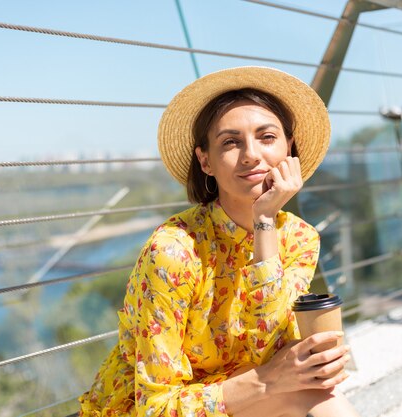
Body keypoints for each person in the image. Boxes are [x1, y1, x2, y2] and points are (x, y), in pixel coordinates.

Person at [78, 66, 360, 417]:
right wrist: (271, 381)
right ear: (205, 160)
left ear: (290, 148)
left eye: (267, 137)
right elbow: (155, 407)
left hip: (246, 396)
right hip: (155, 410)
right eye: (231, 142)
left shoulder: (300, 237)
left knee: (323, 398)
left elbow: (266, 342)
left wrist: (265, 221)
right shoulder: (173, 252)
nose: (251, 155)